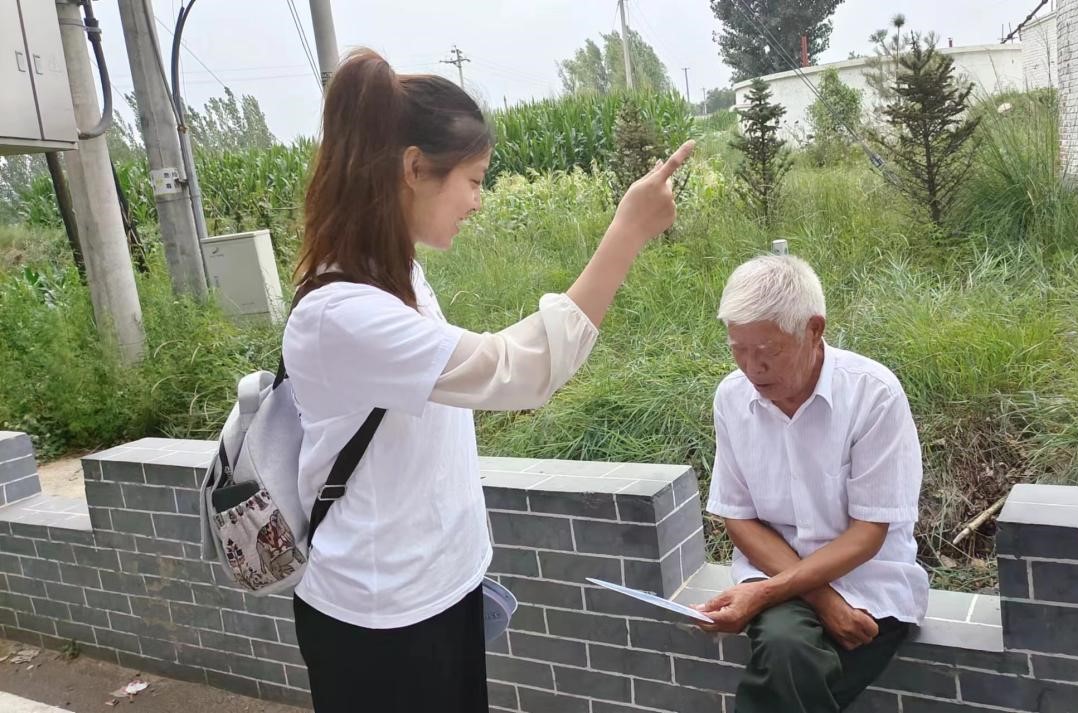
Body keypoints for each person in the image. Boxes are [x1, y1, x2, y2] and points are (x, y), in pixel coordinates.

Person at [282, 48, 693, 712]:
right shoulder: (344, 314)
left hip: (437, 592)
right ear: (413, 169)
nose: (477, 201)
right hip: (381, 619)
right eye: (473, 180)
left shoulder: (394, 277)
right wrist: (628, 231)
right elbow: (517, 371)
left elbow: (480, 371)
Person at [696, 255, 929, 712]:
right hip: (776, 570)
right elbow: (738, 517)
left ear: (814, 329)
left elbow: (870, 531)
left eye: (768, 350)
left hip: (869, 581)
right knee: (786, 649)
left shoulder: (873, 394)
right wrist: (823, 601)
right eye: (738, 349)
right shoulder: (731, 397)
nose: (752, 367)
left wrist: (772, 596)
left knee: (788, 662)